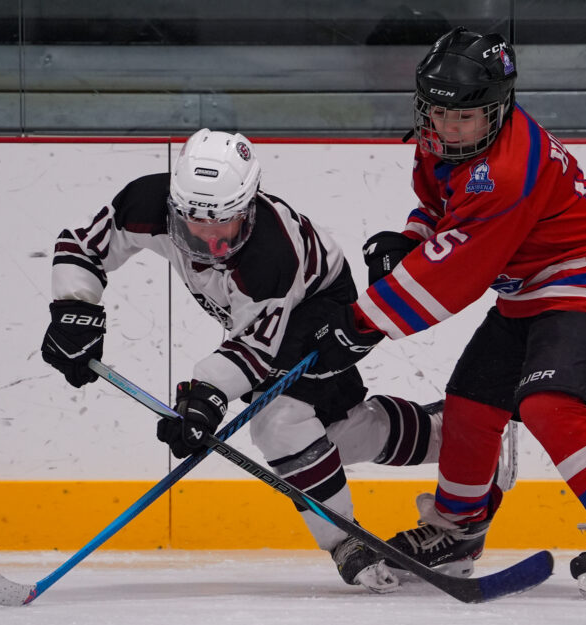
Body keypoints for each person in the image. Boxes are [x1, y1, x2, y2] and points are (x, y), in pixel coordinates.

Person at [296, 28, 586, 598]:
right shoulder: (443, 139)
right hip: (526, 287)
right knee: (471, 405)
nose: (447, 127)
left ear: (499, 110)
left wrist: (359, 323)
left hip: (585, 274)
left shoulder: (507, 169)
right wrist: (411, 239)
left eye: (465, 117)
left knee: (547, 401)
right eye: (437, 113)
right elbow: (438, 209)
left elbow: (456, 275)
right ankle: (458, 530)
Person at [40, 128, 455, 594]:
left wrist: (204, 399)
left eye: (224, 223)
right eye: (194, 222)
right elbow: (83, 246)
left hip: (321, 312)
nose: (208, 239)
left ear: (249, 205)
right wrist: (75, 311)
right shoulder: (144, 203)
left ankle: (345, 541)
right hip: (260, 323)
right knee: (333, 432)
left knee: (280, 424)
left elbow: (253, 350)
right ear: (174, 203)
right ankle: (454, 439)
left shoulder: (268, 256)